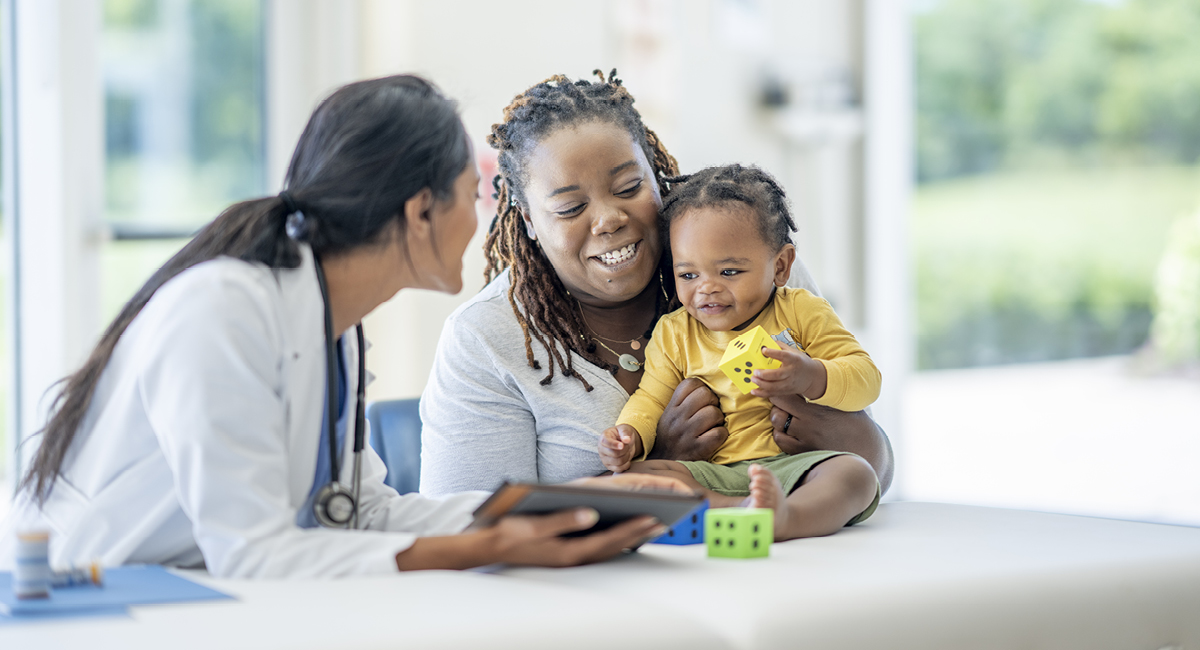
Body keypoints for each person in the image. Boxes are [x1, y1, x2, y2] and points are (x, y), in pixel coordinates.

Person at [0, 75, 682, 579]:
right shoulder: (221, 311)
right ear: (421, 211)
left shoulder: (334, 326)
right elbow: (255, 552)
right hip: (104, 606)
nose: (483, 223)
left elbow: (360, 513)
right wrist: (486, 546)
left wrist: (569, 503)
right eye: (471, 197)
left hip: (198, 596)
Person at [420, 71, 894, 496]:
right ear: (527, 219)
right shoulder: (484, 339)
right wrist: (662, 461)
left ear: (658, 176)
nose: (608, 219)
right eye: (569, 208)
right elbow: (470, 534)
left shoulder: (748, 264)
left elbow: (876, 465)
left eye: (629, 189)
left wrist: (843, 432)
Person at [598, 164, 881, 540]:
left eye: (729, 272)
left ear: (780, 266)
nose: (706, 289)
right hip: (710, 474)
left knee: (855, 473)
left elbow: (866, 378)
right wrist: (629, 434)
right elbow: (650, 399)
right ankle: (734, 511)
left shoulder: (800, 311)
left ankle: (788, 518)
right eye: (688, 275)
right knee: (629, 479)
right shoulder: (675, 332)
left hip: (791, 468)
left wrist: (811, 375)